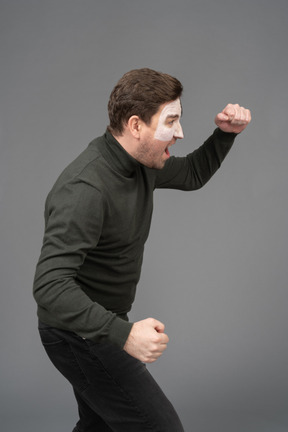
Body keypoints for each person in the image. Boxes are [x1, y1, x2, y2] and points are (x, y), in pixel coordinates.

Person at [33, 68, 251, 432]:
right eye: (172, 121)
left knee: (99, 427)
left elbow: (193, 173)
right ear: (136, 125)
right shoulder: (86, 187)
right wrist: (125, 334)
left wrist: (225, 135)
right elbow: (49, 286)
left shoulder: (142, 163)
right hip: (76, 334)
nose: (180, 132)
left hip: (103, 324)